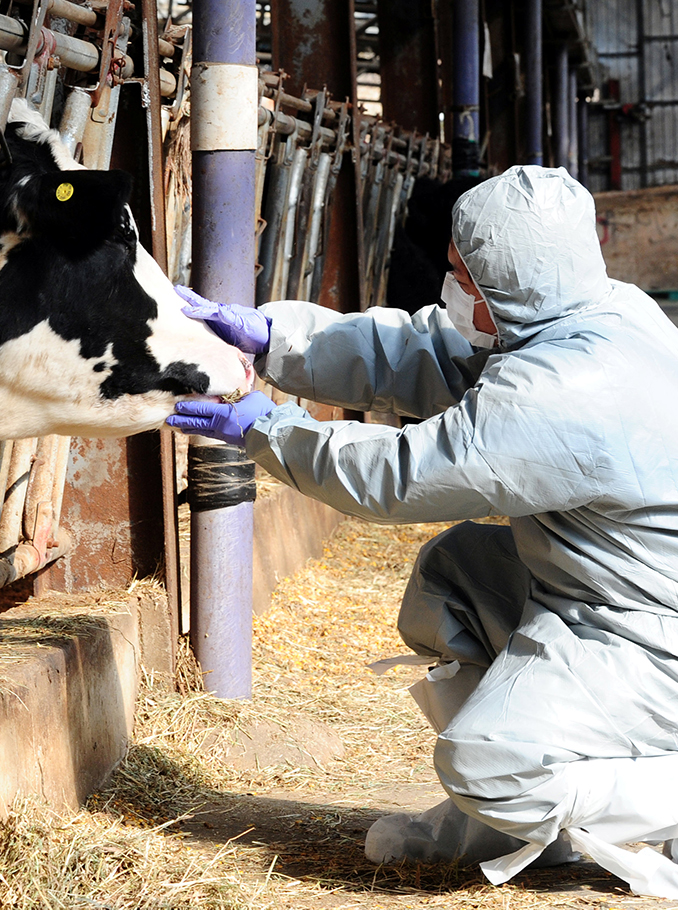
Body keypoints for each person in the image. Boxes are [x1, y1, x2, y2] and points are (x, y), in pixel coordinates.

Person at [166, 165, 678, 898]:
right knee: (455, 576)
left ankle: (609, 806)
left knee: (487, 762)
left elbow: (404, 475)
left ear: (513, 281)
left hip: (652, 637)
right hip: (602, 591)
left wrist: (270, 430)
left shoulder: (566, 391)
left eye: (464, 277)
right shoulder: (591, 312)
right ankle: (504, 828)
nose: (454, 290)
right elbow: (426, 351)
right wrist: (278, 338)